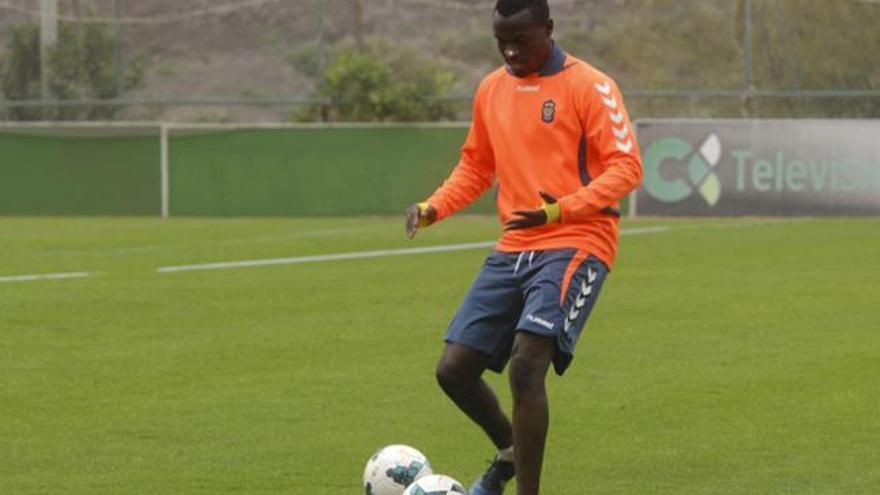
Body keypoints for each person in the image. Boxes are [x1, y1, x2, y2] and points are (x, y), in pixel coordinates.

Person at [405, 0, 643, 494]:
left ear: (548, 29)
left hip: (578, 239)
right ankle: (511, 450)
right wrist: (433, 208)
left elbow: (627, 168)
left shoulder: (590, 85)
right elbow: (476, 165)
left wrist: (561, 209)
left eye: (521, 39)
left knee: (526, 363)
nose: (511, 50)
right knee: (454, 370)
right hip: (516, 243)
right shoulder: (492, 88)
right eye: (501, 41)